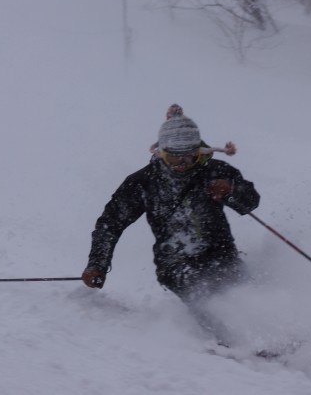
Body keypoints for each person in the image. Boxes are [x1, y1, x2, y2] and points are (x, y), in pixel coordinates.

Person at [81, 106, 260, 345]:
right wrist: (98, 264)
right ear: (161, 152)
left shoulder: (216, 172)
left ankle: (274, 338)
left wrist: (232, 190)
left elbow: (251, 203)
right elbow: (110, 224)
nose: (183, 163)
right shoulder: (143, 182)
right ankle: (232, 343)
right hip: (175, 262)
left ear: (200, 151)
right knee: (204, 297)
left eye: (190, 156)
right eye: (175, 157)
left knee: (247, 295)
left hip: (222, 254)